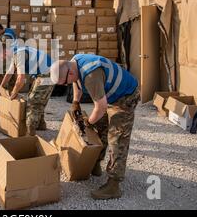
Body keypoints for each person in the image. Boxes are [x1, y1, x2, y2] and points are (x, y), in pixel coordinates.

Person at [50, 54, 140, 200]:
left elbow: (101, 107)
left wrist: (88, 123)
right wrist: (75, 101)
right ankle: (96, 162)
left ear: (70, 72)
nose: (67, 84)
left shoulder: (91, 76)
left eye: (65, 82)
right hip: (110, 95)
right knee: (99, 129)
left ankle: (114, 185)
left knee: (117, 139)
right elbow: (76, 82)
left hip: (126, 97)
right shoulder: (74, 62)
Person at [0, 46, 54, 135]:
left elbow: (20, 79)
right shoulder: (16, 52)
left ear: (5, 52)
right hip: (43, 73)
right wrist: (1, 88)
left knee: (33, 102)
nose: (1, 59)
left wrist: (14, 93)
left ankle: (30, 134)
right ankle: (40, 125)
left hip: (48, 73)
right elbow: (9, 73)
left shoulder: (18, 54)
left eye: (0, 56)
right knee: (36, 98)